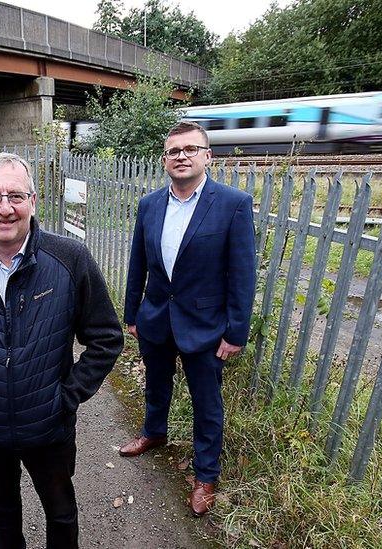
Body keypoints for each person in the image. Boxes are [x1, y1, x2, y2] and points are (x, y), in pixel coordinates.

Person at [0, 152, 123, 549]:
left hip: (49, 427)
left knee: (61, 513)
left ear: (34, 202)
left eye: (16, 195)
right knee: (2, 515)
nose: (5, 208)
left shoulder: (69, 259)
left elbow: (105, 338)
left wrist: (66, 398)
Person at [119, 122, 257, 516]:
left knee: (206, 403)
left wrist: (235, 332)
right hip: (157, 318)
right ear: (165, 159)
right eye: (173, 151)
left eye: (190, 149)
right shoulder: (150, 204)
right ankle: (154, 433)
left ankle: (205, 475)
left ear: (207, 156)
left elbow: (243, 273)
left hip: (207, 327)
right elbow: (138, 263)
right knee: (156, 384)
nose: (181, 156)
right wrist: (133, 313)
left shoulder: (232, 203)